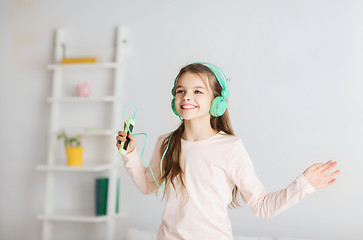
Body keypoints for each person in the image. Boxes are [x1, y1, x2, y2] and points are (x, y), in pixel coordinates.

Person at [116, 62, 340, 240]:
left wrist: (304, 184)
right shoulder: (165, 143)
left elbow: (261, 206)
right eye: (180, 91)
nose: (186, 97)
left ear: (217, 102)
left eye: (197, 91)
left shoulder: (230, 148)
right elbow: (148, 185)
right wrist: (130, 153)